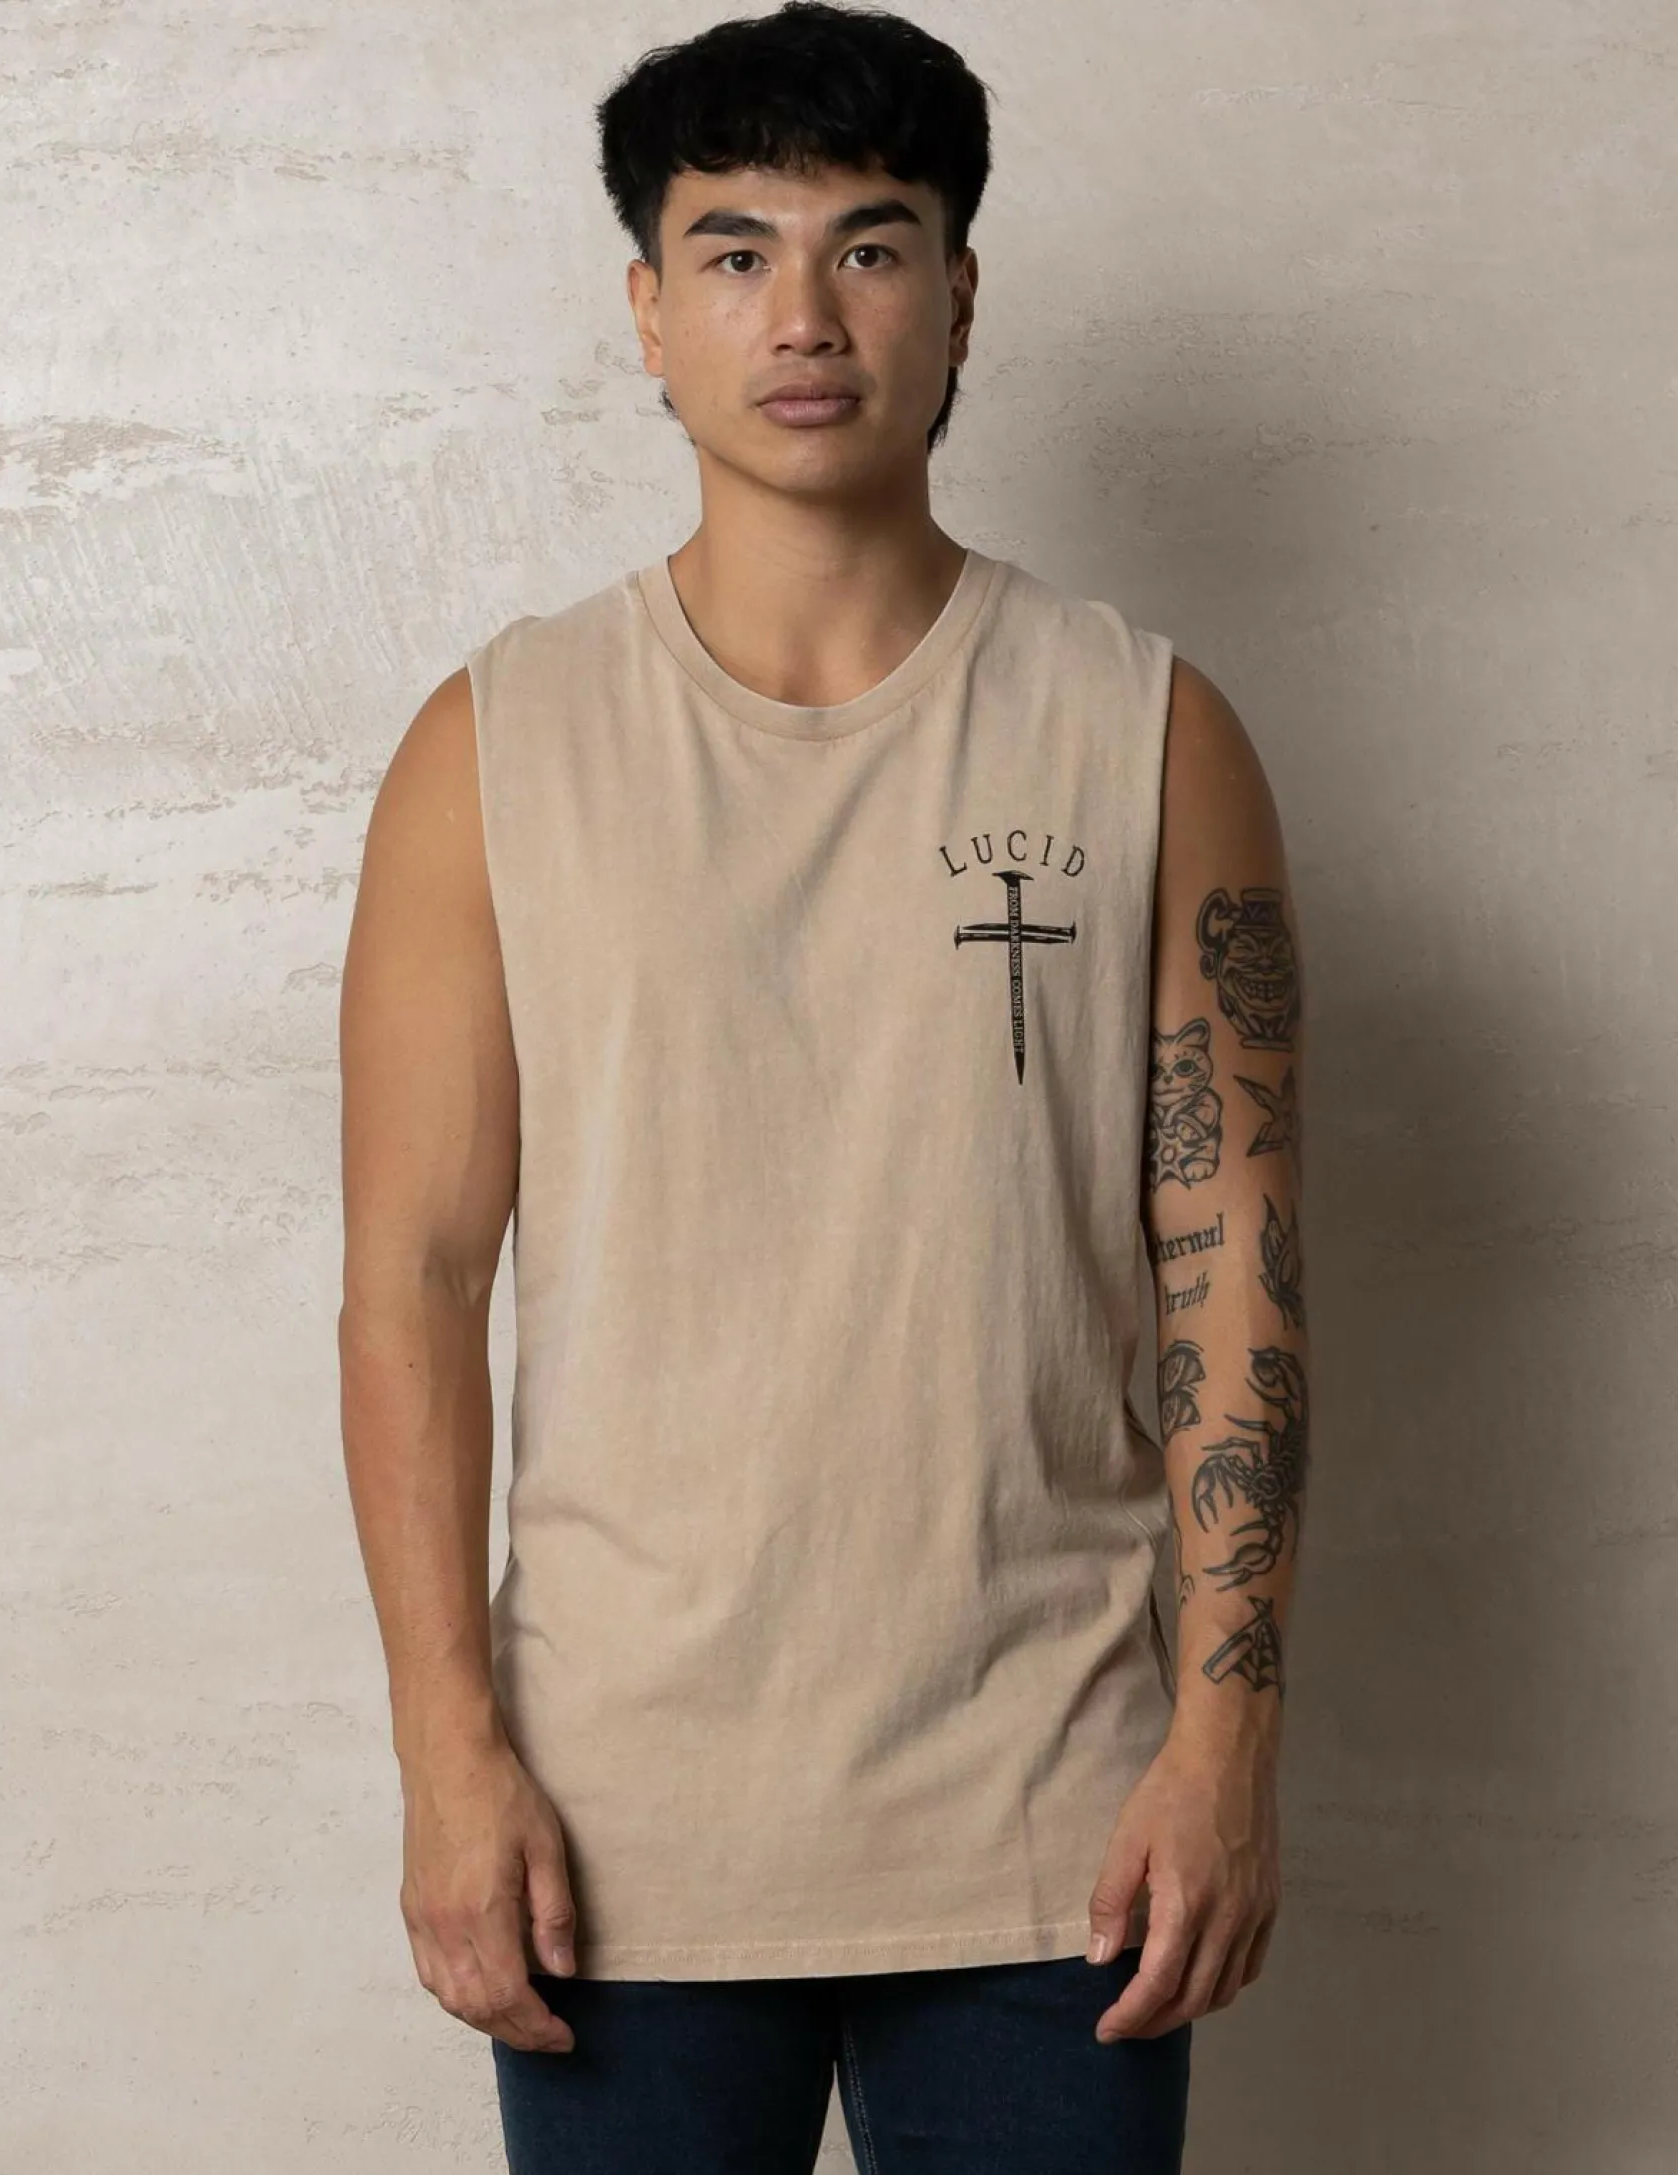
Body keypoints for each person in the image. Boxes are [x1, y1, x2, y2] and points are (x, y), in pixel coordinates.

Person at [336, 4, 1308, 2168]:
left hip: (1058, 1824)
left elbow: (1232, 1258)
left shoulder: (1146, 730)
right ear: (647, 314)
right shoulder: (495, 749)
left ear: (960, 294)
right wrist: (447, 1756)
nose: (803, 313)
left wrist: (1226, 1745)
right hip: (620, 1827)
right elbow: (411, 1278)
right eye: (735, 250)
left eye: (870, 246)